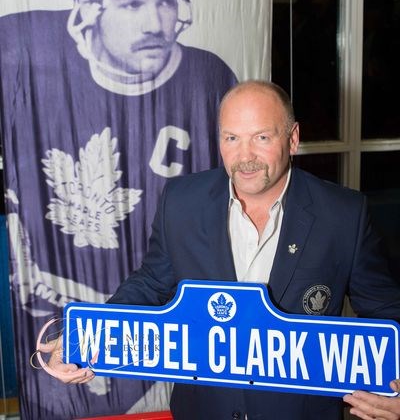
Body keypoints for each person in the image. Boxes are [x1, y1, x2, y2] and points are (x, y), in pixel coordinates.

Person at [0, 0, 236, 418]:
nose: (157, 21)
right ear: (88, 3)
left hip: (168, 335)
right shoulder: (19, 52)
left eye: (168, 0)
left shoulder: (208, 78)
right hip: (55, 330)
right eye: (132, 2)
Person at [46, 80, 400, 420]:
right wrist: (87, 337)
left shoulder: (344, 214)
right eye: (232, 138)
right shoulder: (181, 201)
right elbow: (151, 283)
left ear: (292, 139)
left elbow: (387, 311)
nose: (245, 157)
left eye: (261, 137)